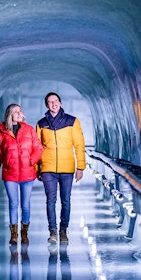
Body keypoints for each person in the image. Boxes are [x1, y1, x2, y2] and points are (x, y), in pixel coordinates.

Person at [36, 92, 86, 244]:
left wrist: (81, 167)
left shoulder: (72, 121)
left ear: (60, 102)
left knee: (66, 201)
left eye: (56, 100)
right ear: (47, 105)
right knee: (50, 200)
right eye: (50, 102)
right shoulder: (41, 124)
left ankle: (63, 229)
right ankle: (52, 231)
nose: (53, 104)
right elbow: (37, 147)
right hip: (48, 168)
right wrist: (37, 167)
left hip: (67, 168)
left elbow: (79, 145)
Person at [0, 104, 43, 245]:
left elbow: (38, 148)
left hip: (27, 174)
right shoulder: (2, 134)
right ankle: (14, 235)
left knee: (25, 204)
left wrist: (31, 160)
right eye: (16, 112)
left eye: (20, 111)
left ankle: (24, 233)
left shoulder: (29, 130)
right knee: (13, 204)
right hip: (10, 175)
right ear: (10, 115)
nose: (20, 113)